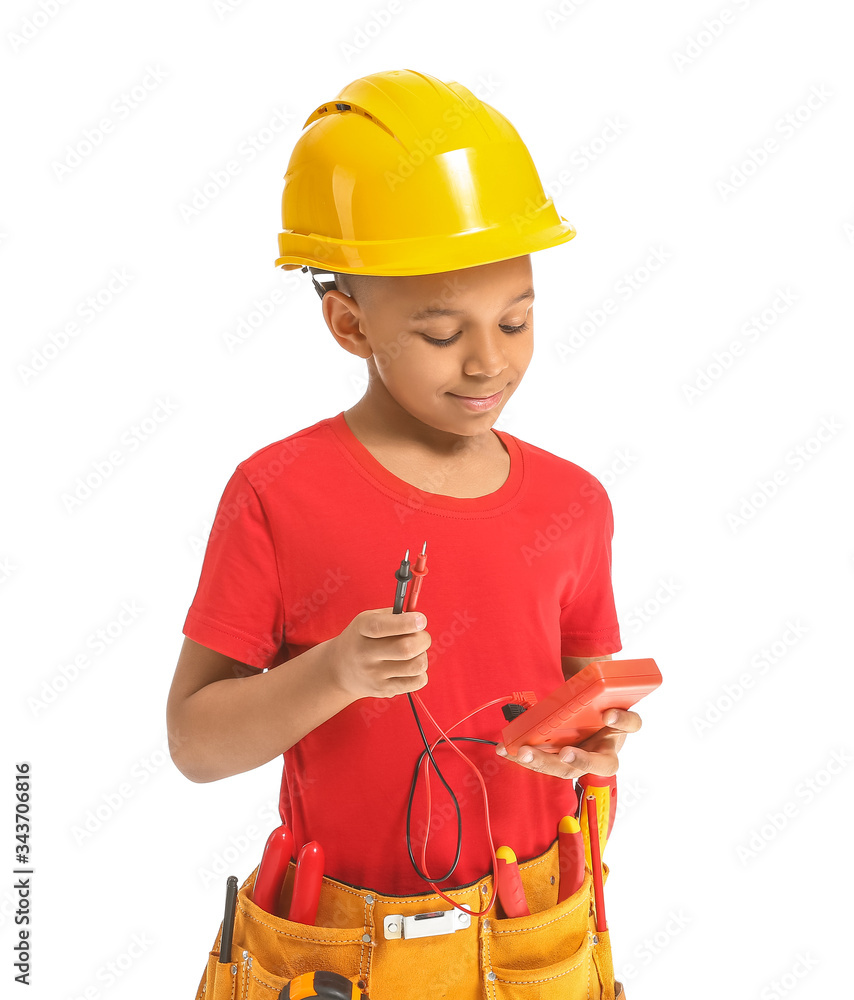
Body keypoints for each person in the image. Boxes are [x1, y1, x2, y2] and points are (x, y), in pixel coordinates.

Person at [167, 68, 638, 1000]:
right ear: (348, 322)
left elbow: (585, 716)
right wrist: (334, 672)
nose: (489, 361)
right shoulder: (276, 493)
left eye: (515, 320)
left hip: (537, 936)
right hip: (342, 953)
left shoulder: (574, 504)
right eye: (439, 332)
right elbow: (196, 743)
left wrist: (594, 743)